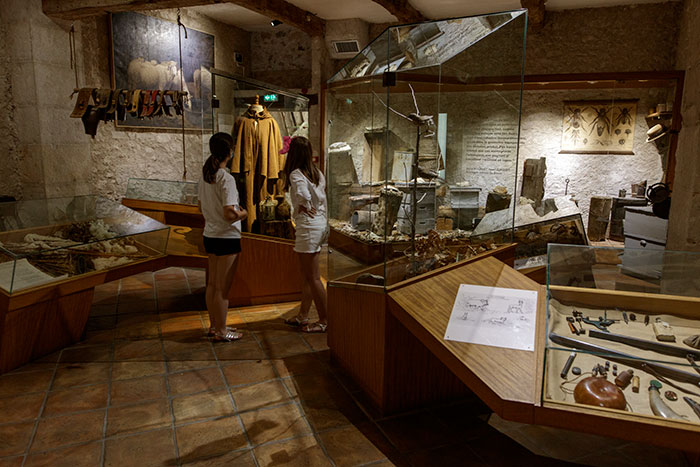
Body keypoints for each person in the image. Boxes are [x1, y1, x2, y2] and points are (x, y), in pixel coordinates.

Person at [198, 133, 247, 342]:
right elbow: (229, 213)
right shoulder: (226, 178)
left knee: (212, 285)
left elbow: (200, 206)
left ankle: (214, 325)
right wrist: (243, 214)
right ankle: (221, 330)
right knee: (222, 289)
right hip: (226, 237)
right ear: (229, 151)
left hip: (210, 234)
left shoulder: (205, 175)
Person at [283, 137, 328, 333]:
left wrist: (305, 205)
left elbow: (303, 194)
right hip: (317, 224)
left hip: (308, 227)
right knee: (307, 276)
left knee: (314, 277)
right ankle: (303, 315)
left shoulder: (296, 174)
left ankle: (325, 320)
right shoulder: (316, 172)